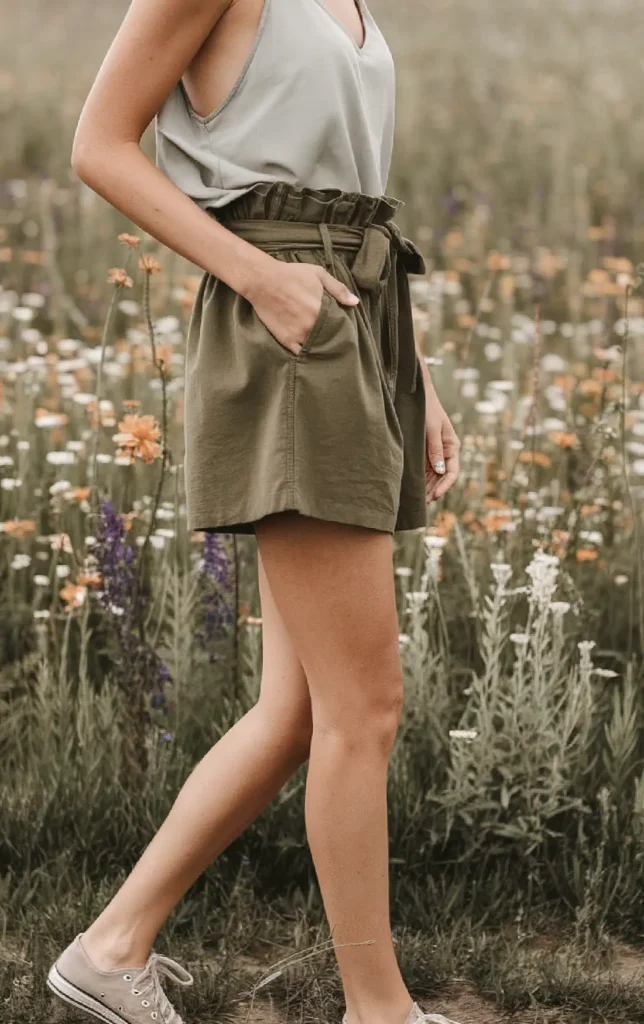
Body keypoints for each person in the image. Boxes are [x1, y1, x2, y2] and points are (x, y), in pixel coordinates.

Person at [46, 2, 462, 1024]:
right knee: (363, 709)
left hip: (350, 328)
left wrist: (412, 374)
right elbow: (99, 146)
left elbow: (353, 205)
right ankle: (380, 1011)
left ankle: (111, 947)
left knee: (300, 713)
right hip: (282, 329)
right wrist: (257, 276)